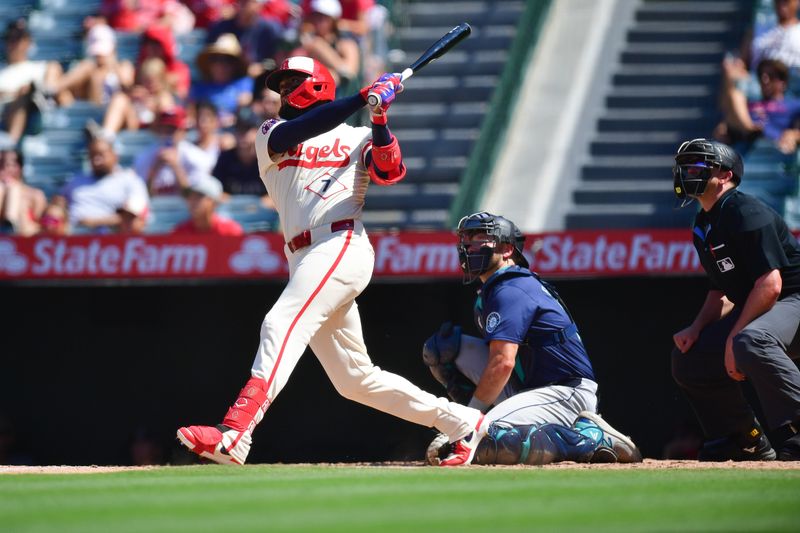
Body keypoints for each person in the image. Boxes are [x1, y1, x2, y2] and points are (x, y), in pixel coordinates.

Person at [177, 56, 486, 467]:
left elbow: (390, 171)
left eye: (292, 82)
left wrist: (378, 117)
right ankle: (462, 421)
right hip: (303, 255)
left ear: (317, 84)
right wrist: (364, 95)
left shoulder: (358, 135)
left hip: (340, 243)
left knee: (280, 322)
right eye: (281, 85)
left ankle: (237, 432)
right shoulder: (272, 133)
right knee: (354, 380)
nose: (284, 91)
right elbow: (309, 126)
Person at [422, 212, 642, 466]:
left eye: (480, 239)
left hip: (566, 391)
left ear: (506, 249)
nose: (470, 246)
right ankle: (479, 427)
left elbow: (503, 363)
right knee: (443, 349)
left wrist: (469, 423)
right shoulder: (494, 288)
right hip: (531, 387)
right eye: (467, 240)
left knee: (489, 439)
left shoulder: (511, 288)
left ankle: (592, 438)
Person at [671, 138, 800, 461]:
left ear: (725, 175)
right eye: (685, 167)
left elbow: (771, 284)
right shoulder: (704, 222)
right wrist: (696, 327)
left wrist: (733, 337)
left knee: (749, 339)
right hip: (769, 307)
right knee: (691, 358)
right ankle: (744, 438)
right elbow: (721, 291)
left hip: (792, 299)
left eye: (698, 166)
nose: (688, 173)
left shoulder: (745, 210)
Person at [56, 136, 150, 233]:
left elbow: (135, 216)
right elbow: (58, 204)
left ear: (115, 155)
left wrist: (95, 222)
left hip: (111, 240)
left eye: (101, 155)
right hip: (71, 239)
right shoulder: (76, 181)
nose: (96, 160)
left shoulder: (129, 180)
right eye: (92, 155)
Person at [0, 19, 67, 144]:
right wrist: (18, 93)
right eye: (11, 38)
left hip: (36, 112)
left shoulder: (42, 67)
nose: (15, 43)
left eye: (19, 38)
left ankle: (10, 143)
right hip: (6, 113)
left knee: (53, 70)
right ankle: (10, 144)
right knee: (25, 91)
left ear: (28, 42)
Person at [715, 59, 800, 154]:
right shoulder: (748, 103)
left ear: (782, 82)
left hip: (774, 145)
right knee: (736, 93)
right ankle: (749, 129)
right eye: (761, 76)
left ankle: (751, 130)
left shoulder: (793, 104)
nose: (765, 80)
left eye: (771, 76)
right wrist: (725, 127)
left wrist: (794, 135)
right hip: (745, 144)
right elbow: (726, 110)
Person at [133, 106, 216, 196]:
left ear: (183, 131)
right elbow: (144, 196)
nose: (169, 133)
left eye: (173, 129)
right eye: (166, 128)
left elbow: (192, 198)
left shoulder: (197, 158)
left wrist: (176, 166)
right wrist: (155, 168)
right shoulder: (145, 156)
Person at [55, 24, 135, 106]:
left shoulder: (125, 66)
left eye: (102, 53)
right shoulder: (89, 68)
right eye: (97, 54)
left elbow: (129, 88)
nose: (99, 57)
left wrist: (113, 67)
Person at [190, 33, 254, 128]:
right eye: (215, 59)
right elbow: (191, 115)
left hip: (233, 132)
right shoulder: (199, 88)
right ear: (210, 64)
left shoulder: (243, 83)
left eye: (227, 60)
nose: (220, 65)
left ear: (235, 64)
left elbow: (245, 108)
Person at [206, 0, 283, 75]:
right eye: (240, 1)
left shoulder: (270, 29)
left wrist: (262, 66)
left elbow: (276, 60)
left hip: (260, 79)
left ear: (259, 5)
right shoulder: (222, 27)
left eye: (247, 1)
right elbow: (209, 54)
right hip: (230, 77)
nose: (242, 5)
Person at [212, 108, 272, 203]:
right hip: (231, 213)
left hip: (263, 214)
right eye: (239, 129)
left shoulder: (268, 158)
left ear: (258, 131)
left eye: (247, 129)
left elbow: (276, 197)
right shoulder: (225, 157)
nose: (242, 134)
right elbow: (214, 190)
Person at [172, 173, 243, 235]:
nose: (192, 201)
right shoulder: (179, 232)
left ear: (214, 202)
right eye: (189, 195)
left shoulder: (231, 231)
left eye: (199, 196)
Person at [0, 148, 46, 236]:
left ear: (19, 167)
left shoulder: (35, 195)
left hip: (23, 242)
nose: (2, 169)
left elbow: (42, 226)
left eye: (6, 164)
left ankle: (10, 226)